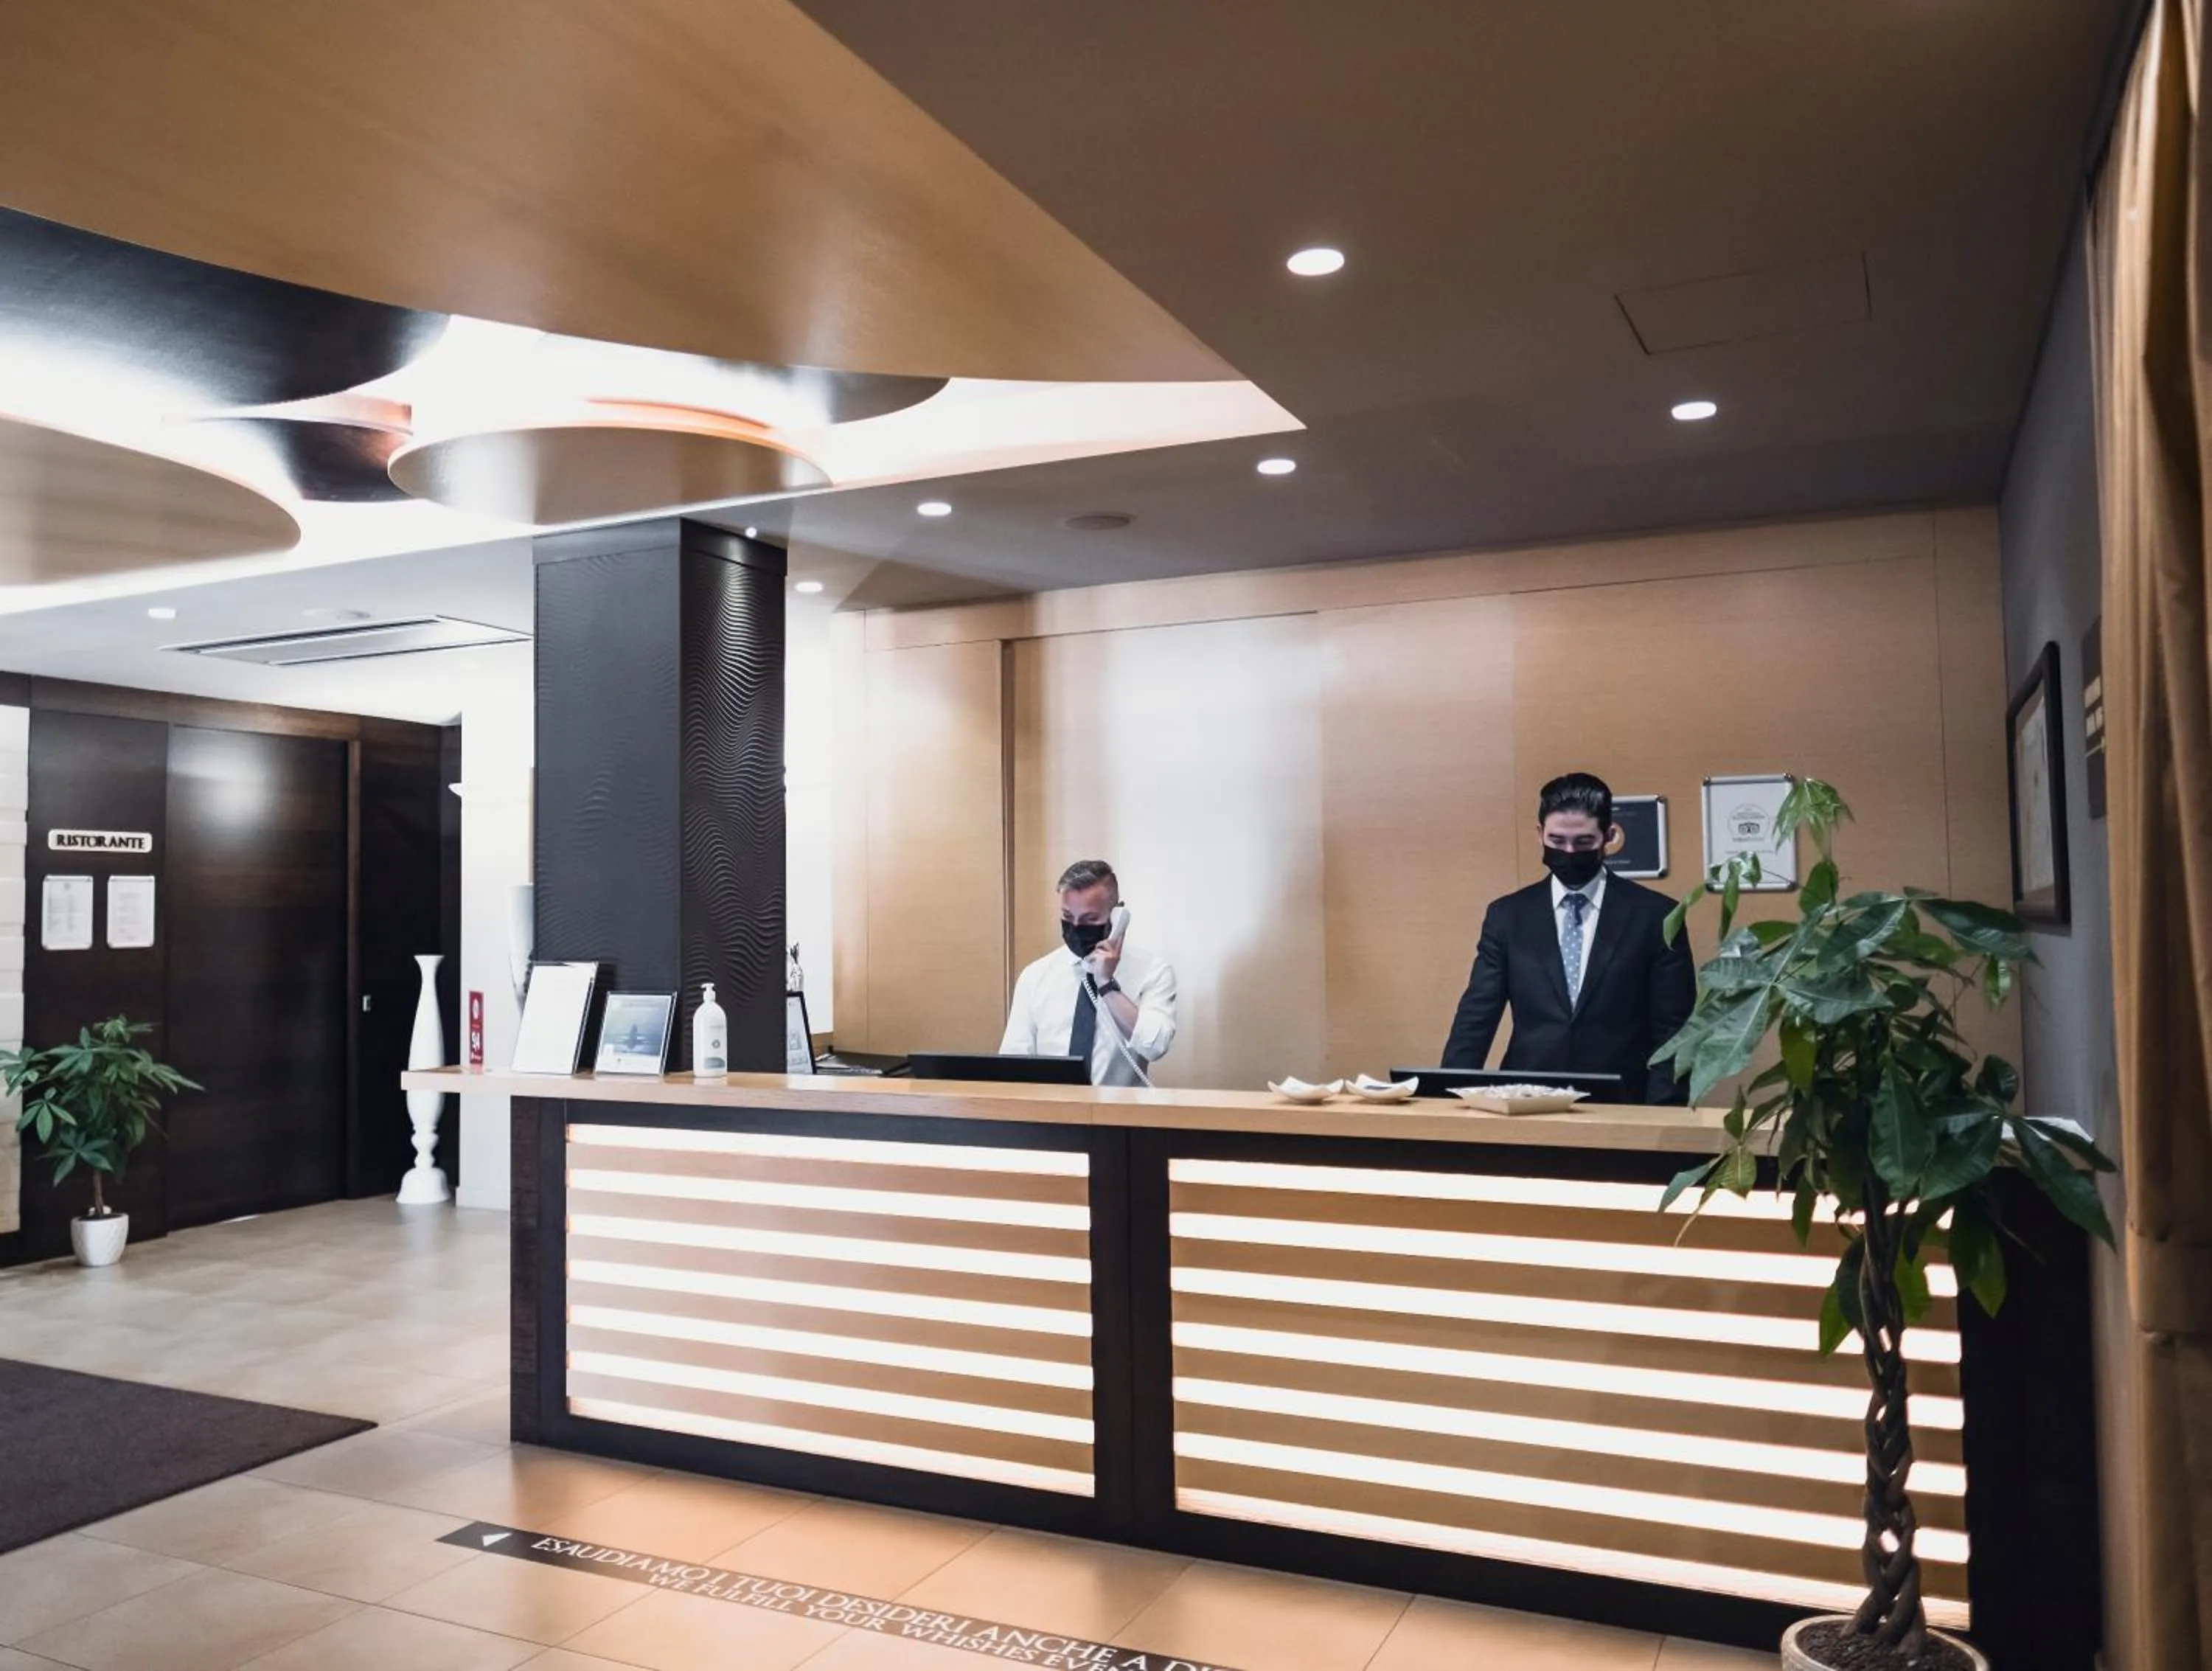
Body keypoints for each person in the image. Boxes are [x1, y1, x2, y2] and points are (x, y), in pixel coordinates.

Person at [1441, 772, 1695, 1104]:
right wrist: (1446, 1097)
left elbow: (1675, 1030)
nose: (1570, 851)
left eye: (1584, 842)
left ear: (1608, 836)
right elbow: (1477, 1014)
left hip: (1623, 1100)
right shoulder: (1508, 916)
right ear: (1540, 834)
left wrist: (1662, 1116)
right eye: (1557, 841)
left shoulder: (1657, 916)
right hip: (1525, 1098)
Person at [1000, 859, 1178, 1086]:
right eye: (1067, 917)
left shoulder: (1153, 972)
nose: (1075, 927)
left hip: (1120, 1117)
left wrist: (1106, 985)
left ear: (1117, 915)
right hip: (1049, 1115)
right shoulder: (1036, 976)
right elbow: (1012, 1064)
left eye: (1090, 919)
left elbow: (1156, 1046)